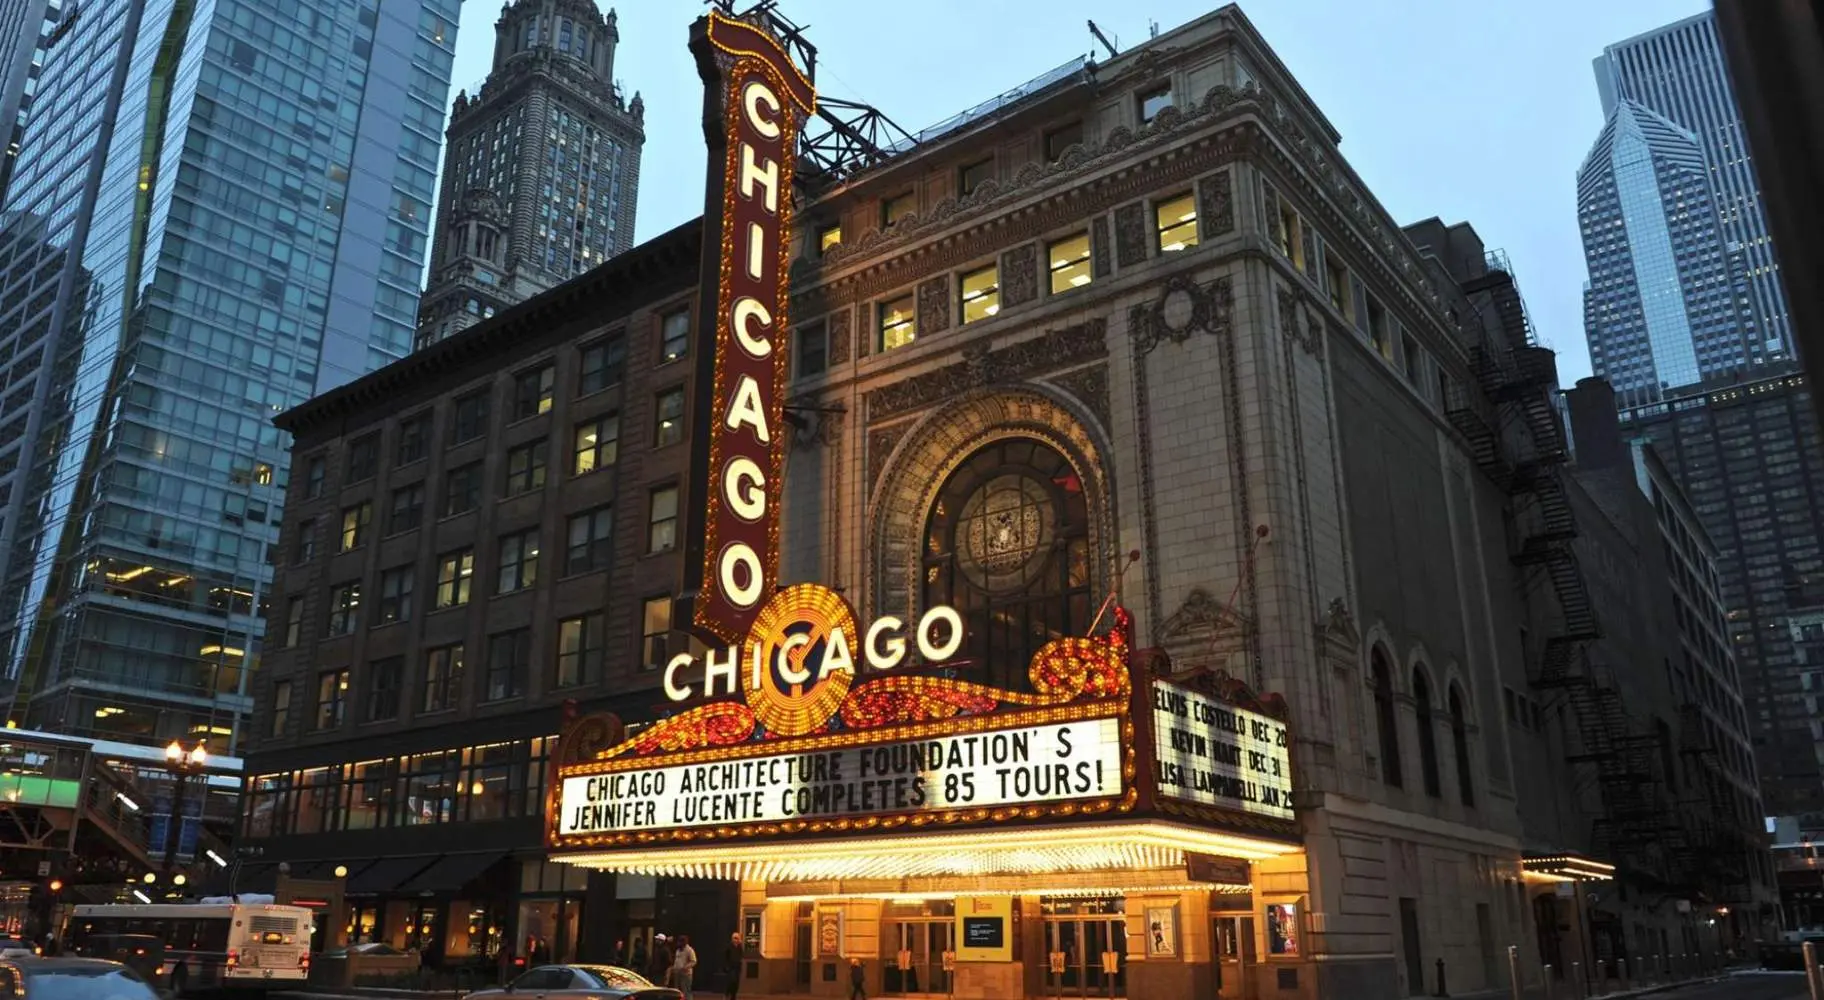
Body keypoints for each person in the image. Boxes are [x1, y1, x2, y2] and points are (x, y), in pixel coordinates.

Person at [723, 932, 744, 1000]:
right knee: (732, 981)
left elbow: (741, 955)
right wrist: (726, 967)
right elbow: (725, 957)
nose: (736, 940)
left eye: (738, 938)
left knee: (736, 983)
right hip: (731, 968)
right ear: (732, 939)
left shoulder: (739, 947)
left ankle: (733, 996)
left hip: (737, 967)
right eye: (735, 938)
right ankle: (727, 993)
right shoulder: (729, 947)